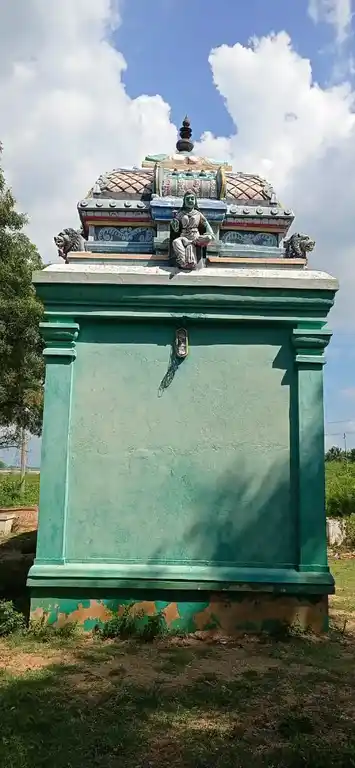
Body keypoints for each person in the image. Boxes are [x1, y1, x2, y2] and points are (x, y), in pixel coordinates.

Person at [170, 191, 214, 270]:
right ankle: (183, 261)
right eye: (187, 199)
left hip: (195, 237)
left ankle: (192, 244)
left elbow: (206, 225)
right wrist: (174, 223)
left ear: (195, 201)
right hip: (184, 237)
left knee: (208, 238)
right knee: (176, 242)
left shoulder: (198, 214)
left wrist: (210, 234)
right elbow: (176, 229)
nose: (190, 200)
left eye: (192, 199)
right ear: (184, 201)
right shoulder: (180, 214)